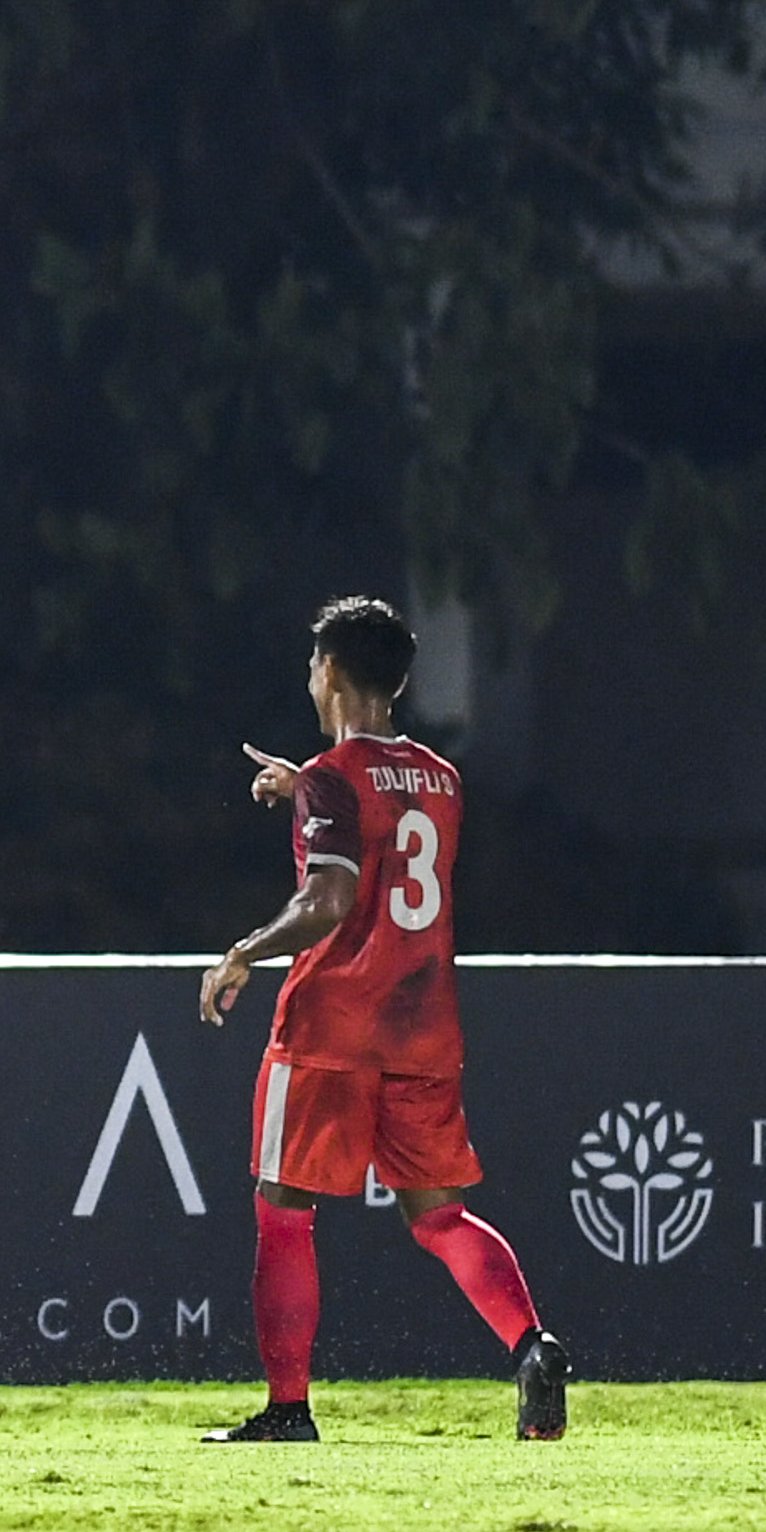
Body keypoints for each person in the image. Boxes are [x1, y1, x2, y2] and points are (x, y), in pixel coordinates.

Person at [196, 596, 564, 1443]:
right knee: (440, 1216)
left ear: (329, 669)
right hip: (422, 1026)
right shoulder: (441, 778)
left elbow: (329, 900)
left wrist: (245, 950)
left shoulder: (336, 778)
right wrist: (306, 786)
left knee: (284, 1210)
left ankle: (288, 1409)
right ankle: (532, 1346)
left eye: (313, 662)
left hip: (331, 1028)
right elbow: (387, 820)